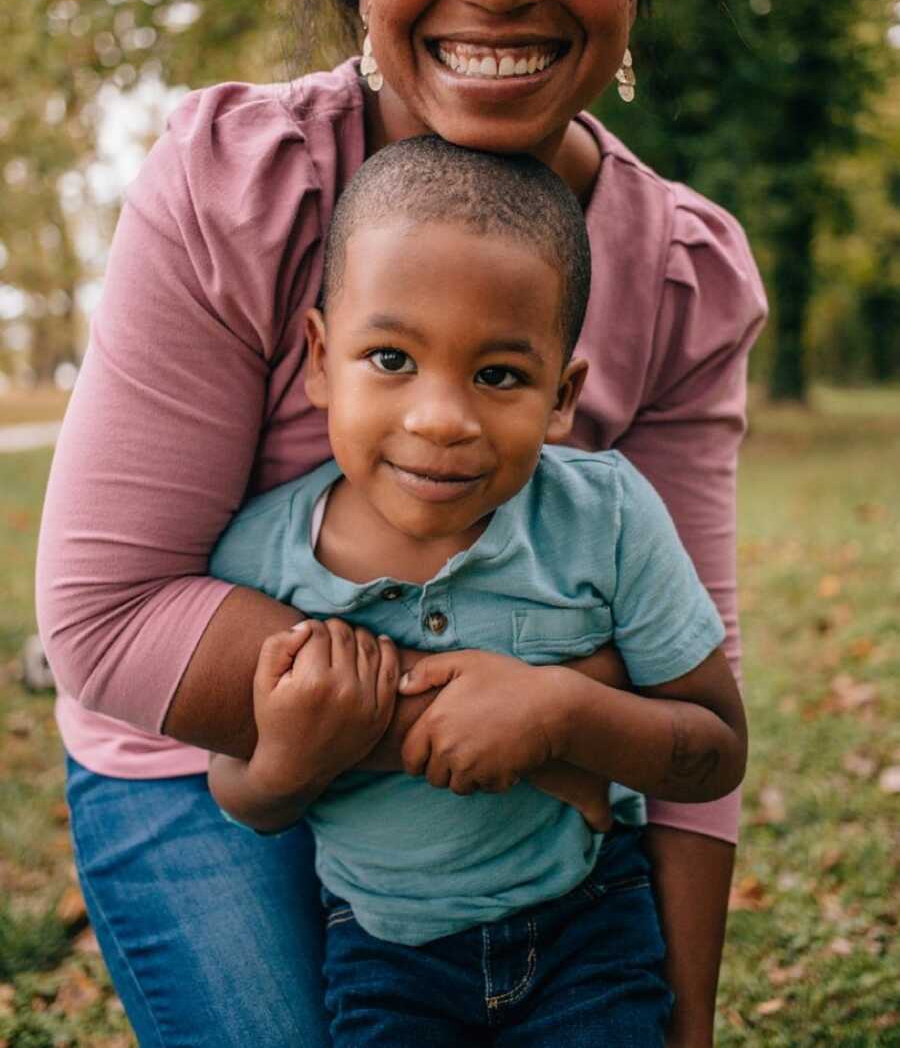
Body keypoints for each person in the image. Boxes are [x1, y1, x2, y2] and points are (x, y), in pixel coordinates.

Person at [36, 0, 767, 1047]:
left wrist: (688, 1014)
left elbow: (687, 705)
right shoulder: (236, 183)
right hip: (210, 751)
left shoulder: (681, 275)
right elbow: (108, 614)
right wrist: (537, 706)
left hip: (538, 830)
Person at [206, 137, 748, 1047]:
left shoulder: (606, 519)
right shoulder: (263, 556)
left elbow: (716, 749)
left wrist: (563, 713)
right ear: (316, 356)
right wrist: (288, 763)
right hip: (383, 952)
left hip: (590, 928)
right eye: (389, 359)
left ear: (563, 394)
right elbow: (242, 793)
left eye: (499, 375)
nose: (441, 419)